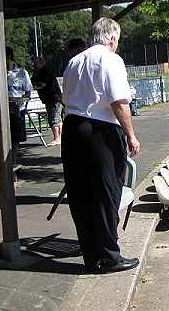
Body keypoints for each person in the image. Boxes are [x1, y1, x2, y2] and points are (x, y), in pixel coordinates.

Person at [61, 17, 140, 274]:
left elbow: (66, 99)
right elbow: (119, 102)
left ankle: (91, 255)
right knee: (106, 194)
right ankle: (109, 256)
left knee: (80, 195)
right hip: (100, 131)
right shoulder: (111, 59)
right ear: (112, 38)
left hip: (72, 130)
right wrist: (131, 135)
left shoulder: (74, 62)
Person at [6, 47, 32, 165]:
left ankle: (14, 163)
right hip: (2, 111)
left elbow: (28, 93)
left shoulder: (22, 73)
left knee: (15, 139)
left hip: (17, 110)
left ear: (9, 57)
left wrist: (19, 102)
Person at [31, 56, 62, 146]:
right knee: (56, 117)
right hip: (50, 98)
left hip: (53, 98)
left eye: (36, 64)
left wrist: (35, 84)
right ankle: (59, 137)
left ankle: (57, 138)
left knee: (54, 118)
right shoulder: (39, 72)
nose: (34, 66)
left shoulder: (45, 71)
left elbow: (42, 84)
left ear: (42, 63)